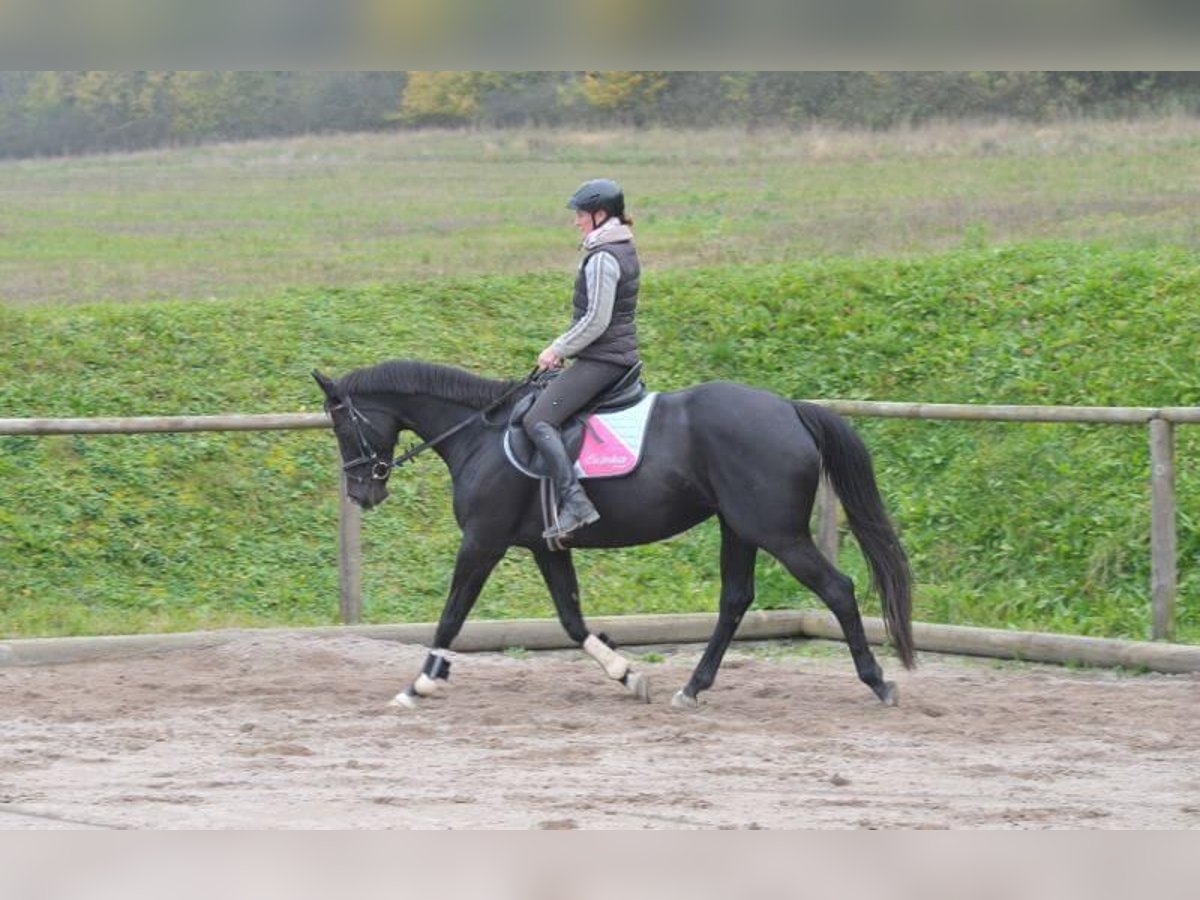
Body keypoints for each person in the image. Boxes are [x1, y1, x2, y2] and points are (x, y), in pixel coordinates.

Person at [524, 178, 642, 541]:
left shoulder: (604, 257)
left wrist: (557, 349)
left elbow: (596, 320)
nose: (576, 221)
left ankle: (575, 501)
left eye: (580, 214)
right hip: (609, 354)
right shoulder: (618, 246)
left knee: (538, 418)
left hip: (605, 360)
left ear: (599, 214)